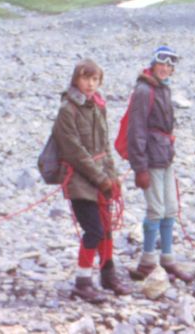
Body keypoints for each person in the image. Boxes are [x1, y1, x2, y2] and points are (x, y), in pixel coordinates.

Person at [52, 59, 132, 302]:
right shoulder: (67, 110)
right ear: (76, 80)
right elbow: (73, 151)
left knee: (106, 228)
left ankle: (108, 275)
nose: (90, 84)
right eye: (85, 78)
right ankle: (82, 281)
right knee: (94, 230)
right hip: (78, 181)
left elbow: (104, 147)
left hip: (100, 180)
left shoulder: (98, 106)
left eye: (94, 79)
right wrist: (100, 178)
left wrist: (112, 176)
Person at [127, 46, 193, 283]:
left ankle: (167, 258)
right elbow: (136, 130)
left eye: (170, 65)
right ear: (153, 64)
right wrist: (140, 167)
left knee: (170, 208)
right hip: (151, 158)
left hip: (164, 156)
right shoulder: (144, 91)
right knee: (155, 209)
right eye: (162, 63)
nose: (165, 68)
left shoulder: (162, 89)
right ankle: (147, 262)